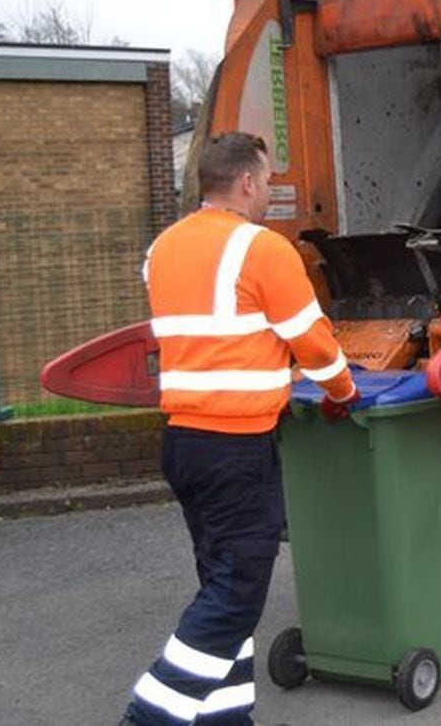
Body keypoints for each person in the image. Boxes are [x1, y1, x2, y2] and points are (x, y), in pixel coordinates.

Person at [122, 132, 358, 725]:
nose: (272, 189)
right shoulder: (261, 249)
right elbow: (314, 343)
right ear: (247, 182)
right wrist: (344, 393)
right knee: (235, 596)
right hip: (236, 448)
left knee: (220, 583)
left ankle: (227, 718)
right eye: (270, 178)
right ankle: (149, 717)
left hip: (184, 443)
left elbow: (211, 337)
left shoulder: (162, 250)